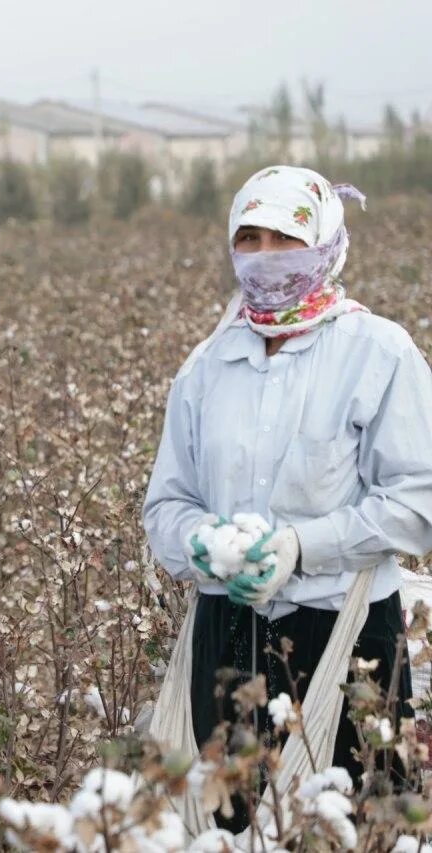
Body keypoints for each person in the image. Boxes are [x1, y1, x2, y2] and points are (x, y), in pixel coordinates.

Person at [144, 166, 432, 833]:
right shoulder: (207, 367)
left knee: (354, 823)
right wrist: (200, 545)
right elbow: (166, 503)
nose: (268, 258)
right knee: (232, 824)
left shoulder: (377, 353)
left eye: (287, 239)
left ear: (330, 245)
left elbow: (419, 500)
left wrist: (302, 546)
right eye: (251, 238)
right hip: (226, 636)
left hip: (345, 634)